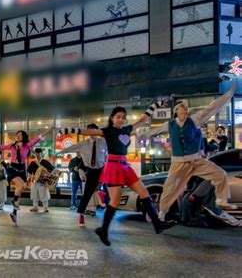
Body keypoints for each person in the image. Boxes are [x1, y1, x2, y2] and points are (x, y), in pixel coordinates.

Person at [59, 103, 177, 246]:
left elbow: (142, 120)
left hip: (125, 166)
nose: (121, 119)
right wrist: (67, 129)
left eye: (123, 117)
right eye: (118, 117)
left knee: (144, 192)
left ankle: (157, 224)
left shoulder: (127, 130)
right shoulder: (107, 131)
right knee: (114, 201)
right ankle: (103, 229)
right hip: (113, 167)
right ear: (112, 118)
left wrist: (155, 105)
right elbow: (88, 132)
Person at [140, 84, 238, 222]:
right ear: (176, 111)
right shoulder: (170, 125)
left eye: (186, 106)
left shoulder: (195, 120)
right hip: (178, 163)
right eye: (182, 106)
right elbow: (152, 132)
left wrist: (228, 95)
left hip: (196, 161)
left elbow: (211, 108)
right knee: (170, 188)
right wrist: (140, 135)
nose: (185, 108)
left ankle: (221, 200)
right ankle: (162, 213)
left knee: (220, 173)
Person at [0, 127, 54, 223]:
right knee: (21, 185)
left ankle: (14, 213)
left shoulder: (27, 145)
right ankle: (14, 202)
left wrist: (50, 129)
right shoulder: (12, 146)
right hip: (13, 168)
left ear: (23, 137)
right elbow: (0, 147)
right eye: (17, 135)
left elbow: (38, 138)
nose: (18, 136)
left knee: (19, 190)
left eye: (20, 135)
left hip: (22, 169)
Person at [78, 124, 107, 226]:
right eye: (90, 131)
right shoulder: (84, 144)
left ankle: (104, 206)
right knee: (87, 194)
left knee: (110, 188)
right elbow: (81, 162)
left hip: (103, 168)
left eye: (94, 131)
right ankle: (81, 215)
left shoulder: (103, 142)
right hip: (91, 170)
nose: (92, 133)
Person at [27, 148, 55, 213]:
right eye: (36, 153)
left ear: (41, 153)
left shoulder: (46, 162)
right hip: (35, 181)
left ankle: (45, 208)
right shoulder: (33, 163)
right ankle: (35, 207)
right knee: (35, 194)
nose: (37, 154)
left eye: (39, 153)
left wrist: (49, 175)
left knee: (44, 194)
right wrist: (28, 178)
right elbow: (29, 172)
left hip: (43, 181)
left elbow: (52, 170)